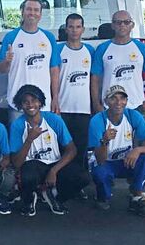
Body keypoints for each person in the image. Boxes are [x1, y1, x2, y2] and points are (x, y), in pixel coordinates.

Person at [9, 84, 89, 217]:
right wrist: (29, 140)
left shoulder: (53, 119)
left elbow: (72, 149)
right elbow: (16, 163)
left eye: (34, 100)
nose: (30, 105)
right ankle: (29, 199)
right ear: (20, 105)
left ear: (40, 102)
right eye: (25, 102)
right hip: (33, 165)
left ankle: (54, 196)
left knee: (83, 177)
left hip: (54, 163)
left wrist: (54, 170)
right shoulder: (17, 125)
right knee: (27, 176)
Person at [88, 85, 145, 217]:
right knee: (100, 173)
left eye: (122, 98)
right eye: (113, 98)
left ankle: (137, 195)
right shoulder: (98, 120)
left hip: (126, 160)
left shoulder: (133, 116)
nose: (118, 102)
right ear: (106, 102)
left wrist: (137, 150)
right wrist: (104, 141)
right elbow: (100, 159)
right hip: (106, 162)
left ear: (126, 101)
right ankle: (103, 195)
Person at [0, 0, 61, 124]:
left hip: (43, 103)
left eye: (36, 10)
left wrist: (55, 98)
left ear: (41, 14)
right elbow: (1, 69)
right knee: (18, 142)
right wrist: (7, 61)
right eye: (29, 9)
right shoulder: (11, 37)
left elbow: (54, 70)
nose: (32, 13)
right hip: (17, 104)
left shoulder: (48, 38)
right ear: (22, 12)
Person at [90, 10, 145, 114]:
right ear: (112, 25)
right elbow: (95, 79)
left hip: (136, 106)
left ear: (132, 25)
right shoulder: (102, 48)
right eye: (118, 22)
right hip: (109, 107)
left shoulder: (142, 48)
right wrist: (96, 105)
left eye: (126, 22)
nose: (122, 25)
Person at [57, 13, 95, 166]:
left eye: (78, 27)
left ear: (83, 29)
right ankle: (58, 184)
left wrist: (94, 104)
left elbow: (94, 80)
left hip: (83, 110)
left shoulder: (90, 51)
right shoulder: (57, 50)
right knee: (61, 149)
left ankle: (79, 185)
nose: (74, 30)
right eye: (71, 27)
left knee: (81, 149)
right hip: (62, 109)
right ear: (66, 29)